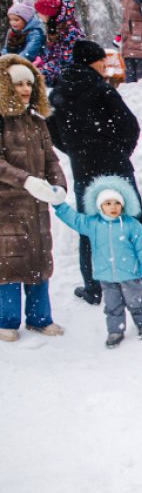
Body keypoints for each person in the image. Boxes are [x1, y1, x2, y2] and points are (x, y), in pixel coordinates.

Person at [46, 39, 142, 305]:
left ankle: (93, 287)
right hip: (114, 165)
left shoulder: (58, 94)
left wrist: (76, 152)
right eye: (101, 61)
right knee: (132, 218)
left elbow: (53, 133)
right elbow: (130, 125)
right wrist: (119, 151)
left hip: (84, 168)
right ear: (91, 62)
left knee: (90, 226)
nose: (104, 66)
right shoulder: (102, 89)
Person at [0, 54, 68, 342]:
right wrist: (25, 180)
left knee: (40, 260)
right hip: (7, 206)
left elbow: (51, 159)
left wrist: (59, 185)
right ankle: (7, 320)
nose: (25, 89)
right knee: (9, 264)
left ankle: (40, 318)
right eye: (18, 84)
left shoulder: (37, 121)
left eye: (29, 83)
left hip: (37, 206)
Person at [50, 175, 142, 348]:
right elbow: (74, 219)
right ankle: (116, 330)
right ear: (100, 206)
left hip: (129, 274)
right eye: (108, 204)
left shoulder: (131, 224)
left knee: (135, 301)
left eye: (116, 203)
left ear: (123, 204)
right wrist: (58, 204)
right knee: (112, 305)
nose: (113, 207)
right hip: (106, 275)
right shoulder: (92, 224)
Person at [32, 0, 85, 87]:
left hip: (70, 77)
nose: (38, 15)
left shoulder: (69, 31)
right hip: (58, 72)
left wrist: (45, 69)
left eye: (39, 12)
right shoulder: (54, 27)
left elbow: (67, 60)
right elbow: (51, 55)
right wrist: (40, 63)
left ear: (47, 13)